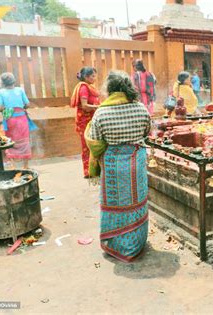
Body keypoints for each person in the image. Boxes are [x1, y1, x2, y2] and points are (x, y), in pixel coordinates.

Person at [85, 71, 151, 262]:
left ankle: (114, 244)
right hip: (136, 161)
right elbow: (148, 131)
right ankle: (135, 244)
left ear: (110, 89)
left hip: (113, 163)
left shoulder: (101, 112)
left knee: (115, 204)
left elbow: (95, 141)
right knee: (136, 202)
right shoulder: (141, 108)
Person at [0, 72, 32, 169]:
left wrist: (8, 110)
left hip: (10, 121)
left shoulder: (0, 92)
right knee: (24, 141)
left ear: (3, 83)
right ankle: (26, 166)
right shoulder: (20, 90)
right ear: (13, 81)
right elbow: (28, 104)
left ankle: (13, 165)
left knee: (10, 140)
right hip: (22, 119)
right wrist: (21, 108)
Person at [70, 67, 100, 178]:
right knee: (86, 146)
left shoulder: (89, 87)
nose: (94, 78)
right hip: (85, 121)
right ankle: (87, 171)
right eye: (92, 76)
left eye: (95, 75)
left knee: (94, 144)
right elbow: (85, 106)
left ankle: (96, 169)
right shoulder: (83, 88)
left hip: (91, 119)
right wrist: (99, 107)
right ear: (86, 77)